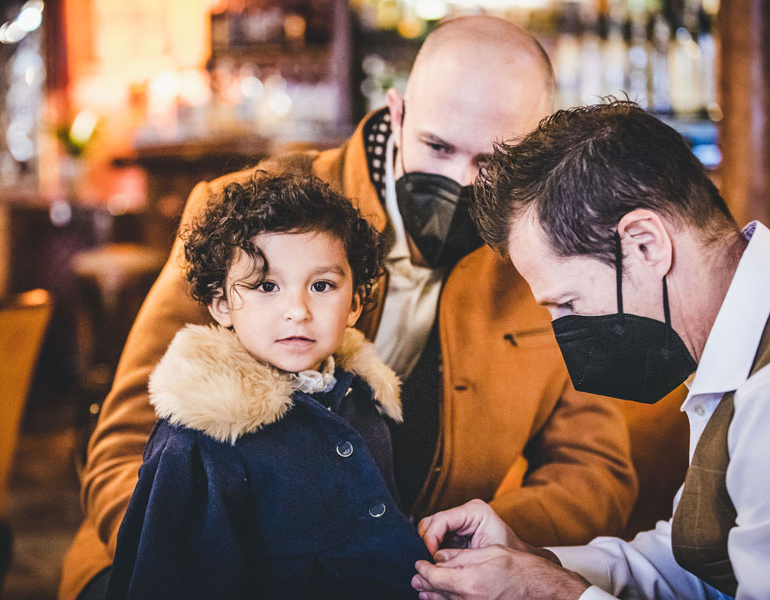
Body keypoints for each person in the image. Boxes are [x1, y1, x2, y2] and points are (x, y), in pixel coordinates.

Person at [60, 17, 645, 600]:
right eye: (437, 146)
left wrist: (479, 550)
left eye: (494, 161)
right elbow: (124, 443)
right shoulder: (243, 220)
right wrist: (194, 556)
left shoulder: (543, 266)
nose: (457, 180)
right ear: (396, 113)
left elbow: (594, 469)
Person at [412, 99, 770, 599]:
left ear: (645, 244)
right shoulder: (731, 352)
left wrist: (556, 594)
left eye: (567, 302)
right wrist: (530, 562)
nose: (562, 331)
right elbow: (706, 565)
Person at [105, 174, 430, 599]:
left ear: (354, 303)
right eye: (266, 286)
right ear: (221, 303)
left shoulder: (362, 398)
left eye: (322, 286)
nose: (297, 310)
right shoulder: (199, 444)